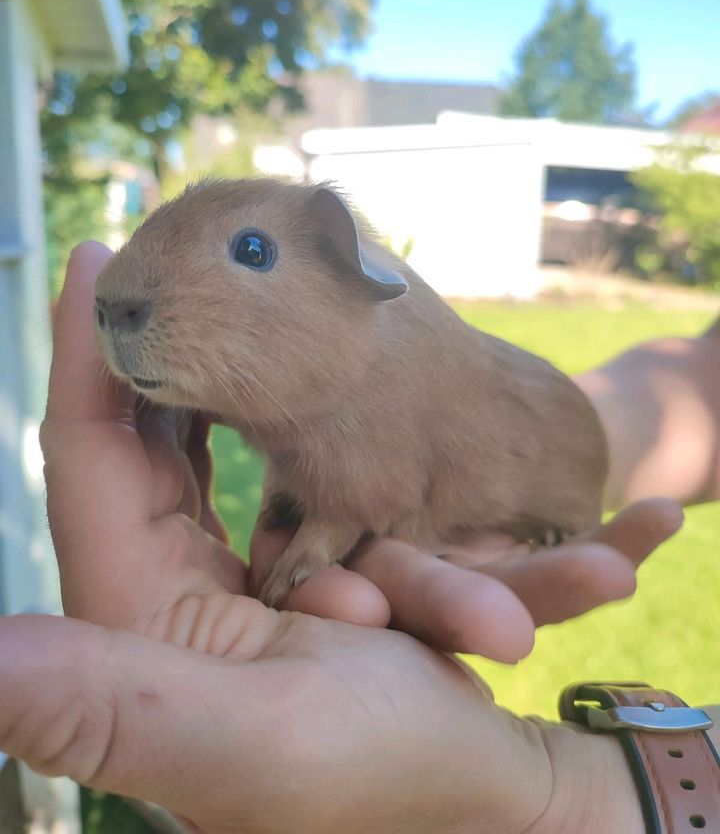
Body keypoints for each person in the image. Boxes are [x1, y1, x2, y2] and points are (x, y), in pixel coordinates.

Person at [0, 243, 696, 833]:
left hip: (545, 485)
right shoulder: (373, 367)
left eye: (251, 252)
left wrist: (562, 801)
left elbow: (374, 488)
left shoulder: (382, 389)